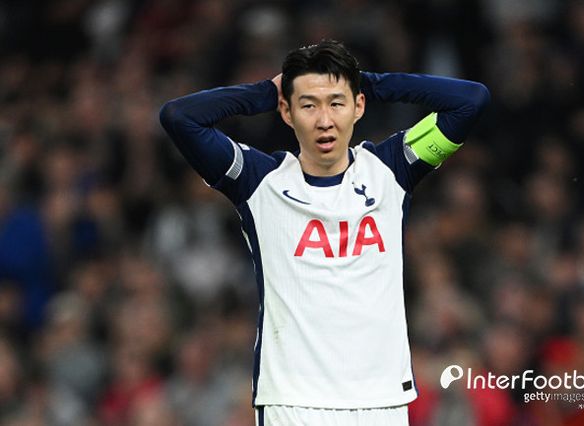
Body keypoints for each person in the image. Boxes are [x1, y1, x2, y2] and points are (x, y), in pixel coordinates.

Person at [159, 39, 489, 426]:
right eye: (308, 105)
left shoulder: (392, 170)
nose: (324, 120)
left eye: (337, 103)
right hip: (293, 403)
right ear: (287, 111)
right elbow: (179, 117)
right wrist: (264, 93)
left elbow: (471, 100)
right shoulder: (258, 181)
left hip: (381, 400)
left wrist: (371, 83)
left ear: (358, 106)